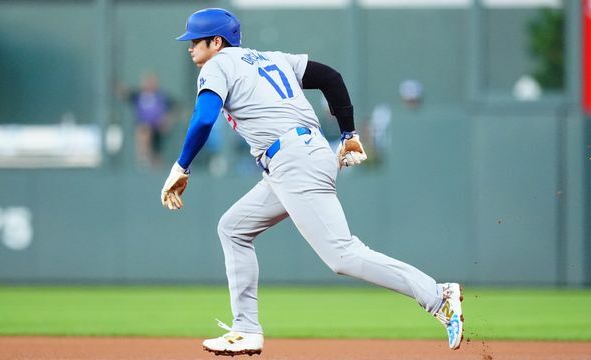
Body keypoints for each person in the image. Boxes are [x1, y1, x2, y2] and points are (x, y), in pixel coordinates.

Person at [160, 8, 464, 356]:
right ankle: (245, 328)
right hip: (296, 156)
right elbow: (330, 77)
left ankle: (437, 296)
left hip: (293, 159)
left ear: (217, 41)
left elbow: (203, 118)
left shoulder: (219, 64)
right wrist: (348, 131)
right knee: (232, 229)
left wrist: (182, 165)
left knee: (342, 255)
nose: (190, 47)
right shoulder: (272, 58)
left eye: (195, 40)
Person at [118, 72, 173, 168]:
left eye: (151, 82)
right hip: (144, 127)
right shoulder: (138, 96)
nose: (148, 84)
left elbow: (174, 109)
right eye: (146, 82)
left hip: (158, 129)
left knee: (157, 155)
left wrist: (167, 120)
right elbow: (124, 93)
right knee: (143, 131)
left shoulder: (162, 97)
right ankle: (144, 157)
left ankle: (156, 166)